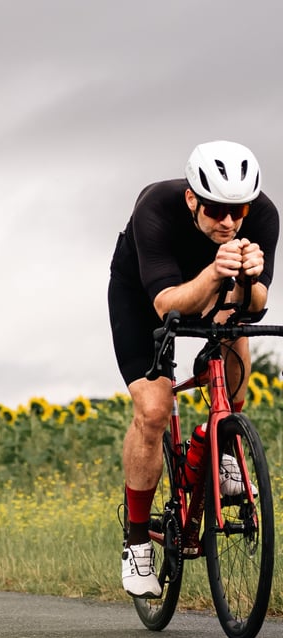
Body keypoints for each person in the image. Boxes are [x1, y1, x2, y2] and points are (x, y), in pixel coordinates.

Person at [108, 140, 280, 598]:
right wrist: (215, 272)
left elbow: (256, 305)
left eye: (237, 211)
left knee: (234, 348)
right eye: (215, 210)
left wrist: (247, 281)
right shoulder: (156, 207)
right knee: (154, 409)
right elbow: (166, 305)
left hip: (216, 291)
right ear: (191, 199)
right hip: (144, 296)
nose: (228, 221)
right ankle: (139, 542)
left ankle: (222, 446)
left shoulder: (262, 215)